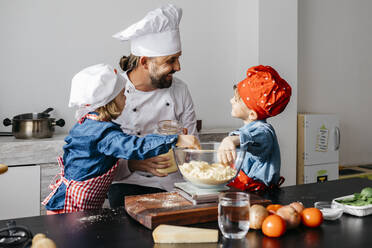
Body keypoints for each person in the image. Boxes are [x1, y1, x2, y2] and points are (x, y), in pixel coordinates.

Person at [42, 64, 200, 214]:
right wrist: (177, 139)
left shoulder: (89, 123)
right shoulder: (102, 134)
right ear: (110, 102)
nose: (126, 98)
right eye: (122, 94)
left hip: (75, 203)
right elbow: (136, 146)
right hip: (71, 207)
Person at [108, 4, 198, 208]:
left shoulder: (180, 90)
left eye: (178, 58)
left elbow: (193, 147)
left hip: (176, 186)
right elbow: (100, 160)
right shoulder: (113, 94)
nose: (178, 67)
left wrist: (191, 150)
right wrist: (133, 163)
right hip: (128, 185)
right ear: (145, 62)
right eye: (171, 60)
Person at [217, 65, 291, 192]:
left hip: (258, 196)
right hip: (242, 192)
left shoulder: (264, 132)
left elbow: (251, 137)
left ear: (252, 114)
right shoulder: (249, 128)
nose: (231, 101)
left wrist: (230, 140)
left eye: (236, 100)